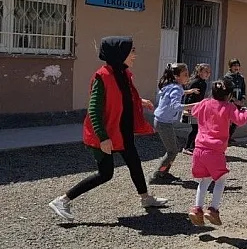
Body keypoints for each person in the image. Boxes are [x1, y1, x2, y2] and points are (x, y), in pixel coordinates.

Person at [48, 36, 168, 221]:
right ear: (120, 54)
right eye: (131, 51)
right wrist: (103, 137)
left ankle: (146, 198)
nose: (134, 55)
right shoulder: (102, 76)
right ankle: (62, 200)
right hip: (107, 134)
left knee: (134, 163)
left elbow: (122, 96)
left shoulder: (122, 73)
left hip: (122, 131)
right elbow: (94, 110)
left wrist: (139, 102)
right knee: (105, 174)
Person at [188, 80, 247, 226]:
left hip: (198, 149)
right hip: (215, 151)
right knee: (220, 180)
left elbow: (194, 111)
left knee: (204, 180)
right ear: (229, 95)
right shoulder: (228, 107)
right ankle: (213, 209)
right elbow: (240, 120)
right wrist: (245, 111)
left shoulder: (205, 103)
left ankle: (197, 208)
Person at [150, 63, 198, 184]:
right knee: (172, 151)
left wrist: (188, 91)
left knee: (174, 148)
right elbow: (175, 106)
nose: (188, 77)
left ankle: (163, 172)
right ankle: (157, 175)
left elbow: (178, 93)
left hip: (161, 121)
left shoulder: (172, 85)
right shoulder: (176, 88)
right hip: (163, 123)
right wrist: (194, 105)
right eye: (185, 75)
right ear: (177, 76)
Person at [183, 63, 211, 155]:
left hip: (197, 108)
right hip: (193, 108)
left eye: (209, 72)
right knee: (196, 128)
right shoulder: (196, 82)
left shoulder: (202, 83)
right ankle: (187, 147)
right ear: (199, 72)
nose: (207, 74)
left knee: (198, 128)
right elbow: (190, 97)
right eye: (205, 72)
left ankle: (193, 146)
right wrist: (190, 107)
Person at [224, 59, 246, 140]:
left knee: (236, 121)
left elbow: (243, 89)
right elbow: (226, 91)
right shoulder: (227, 77)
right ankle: (225, 137)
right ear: (230, 67)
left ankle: (229, 136)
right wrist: (234, 100)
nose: (236, 67)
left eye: (237, 65)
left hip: (239, 102)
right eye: (234, 65)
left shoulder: (241, 77)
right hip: (230, 102)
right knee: (228, 121)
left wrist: (242, 99)